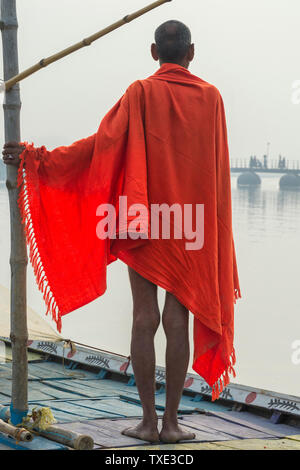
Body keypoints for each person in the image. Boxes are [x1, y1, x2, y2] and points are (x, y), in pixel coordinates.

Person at [3, 20, 240, 444]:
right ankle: (171, 425)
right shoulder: (212, 98)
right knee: (178, 318)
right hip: (192, 225)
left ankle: (147, 422)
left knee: (143, 317)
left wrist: (37, 159)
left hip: (146, 219)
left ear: (154, 52)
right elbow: (216, 172)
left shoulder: (140, 93)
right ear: (191, 52)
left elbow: (101, 147)